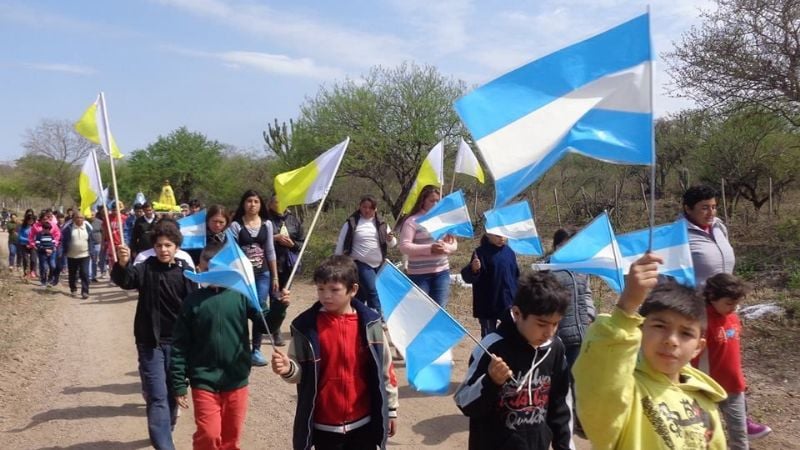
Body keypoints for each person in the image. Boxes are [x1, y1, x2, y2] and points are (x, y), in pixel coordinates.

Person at [573, 254, 727, 449]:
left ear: (698, 347)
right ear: (639, 330)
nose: (671, 341)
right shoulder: (625, 390)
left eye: (686, 333)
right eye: (660, 326)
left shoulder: (705, 400)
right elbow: (601, 380)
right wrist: (627, 306)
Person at [170, 241, 290, 450]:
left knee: (231, 437)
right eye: (204, 270)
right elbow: (179, 344)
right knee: (208, 434)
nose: (207, 274)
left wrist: (279, 306)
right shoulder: (192, 301)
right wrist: (179, 382)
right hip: (203, 380)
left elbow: (266, 324)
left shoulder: (243, 295)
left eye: (213, 271)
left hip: (236, 380)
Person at [271, 255, 399, 450]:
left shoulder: (371, 325)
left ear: (353, 290)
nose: (326, 295)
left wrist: (390, 410)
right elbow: (299, 374)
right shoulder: (306, 328)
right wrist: (288, 368)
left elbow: (385, 370)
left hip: (363, 422)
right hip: (325, 426)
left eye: (334, 289)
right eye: (321, 289)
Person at [454, 271, 574, 450]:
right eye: (541, 324)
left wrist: (564, 445)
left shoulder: (555, 348)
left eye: (555, 324)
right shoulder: (494, 346)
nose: (549, 332)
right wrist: (491, 381)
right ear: (517, 313)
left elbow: (561, 404)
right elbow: (464, 402)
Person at [110, 219, 196, 450]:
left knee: (170, 395)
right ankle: (165, 445)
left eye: (168, 245)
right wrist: (123, 263)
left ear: (176, 247)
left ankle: (165, 430)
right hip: (150, 342)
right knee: (157, 395)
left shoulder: (186, 272)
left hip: (178, 345)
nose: (163, 250)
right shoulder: (145, 267)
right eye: (159, 245)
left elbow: (195, 308)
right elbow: (127, 280)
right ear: (154, 247)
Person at [693, 274, 769, 448]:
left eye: (736, 304)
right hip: (707, 388)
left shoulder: (732, 317)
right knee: (705, 435)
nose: (733, 308)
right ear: (712, 296)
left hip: (734, 387)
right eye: (729, 303)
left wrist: (740, 378)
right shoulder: (701, 322)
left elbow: (732, 353)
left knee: (740, 435)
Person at [229, 190, 279, 366]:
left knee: (259, 309)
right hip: (242, 276)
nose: (252, 204)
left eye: (256, 201)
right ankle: (241, 348)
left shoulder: (267, 224)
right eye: (249, 201)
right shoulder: (235, 226)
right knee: (242, 309)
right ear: (243, 203)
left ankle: (256, 350)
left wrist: (275, 277)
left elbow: (271, 251)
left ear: (261, 205)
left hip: (263, 273)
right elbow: (232, 252)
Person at [334, 194, 396, 317]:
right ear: (360, 207)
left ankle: (352, 315)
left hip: (378, 265)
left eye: (371, 208)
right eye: (364, 207)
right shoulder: (351, 223)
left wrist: (390, 239)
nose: (367, 210)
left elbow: (392, 244)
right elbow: (341, 242)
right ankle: (377, 318)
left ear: (376, 209)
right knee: (373, 290)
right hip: (359, 263)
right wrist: (337, 263)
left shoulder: (382, 224)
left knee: (360, 294)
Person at [397, 185, 457, 307]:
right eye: (432, 200)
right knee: (421, 310)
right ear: (423, 200)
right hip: (419, 275)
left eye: (438, 201)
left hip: (442, 273)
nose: (435, 204)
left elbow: (454, 244)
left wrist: (446, 247)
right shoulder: (412, 221)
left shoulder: (444, 219)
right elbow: (404, 246)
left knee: (440, 310)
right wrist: (430, 249)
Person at [549, 227, 596, 369]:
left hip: (580, 333)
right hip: (556, 335)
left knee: (578, 379)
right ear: (555, 246)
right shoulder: (546, 268)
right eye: (563, 246)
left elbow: (586, 294)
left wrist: (589, 315)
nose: (567, 250)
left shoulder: (580, 268)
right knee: (557, 380)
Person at [459, 233, 519, 337]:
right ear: (488, 235)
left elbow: (516, 276)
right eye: (498, 236)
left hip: (507, 301)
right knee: (489, 337)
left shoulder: (509, 252)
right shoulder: (480, 253)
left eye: (504, 235)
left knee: (512, 333)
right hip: (487, 303)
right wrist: (473, 269)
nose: (502, 238)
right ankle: (488, 353)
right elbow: (469, 277)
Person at [265, 194, 305, 346]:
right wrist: (274, 238)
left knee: (284, 296)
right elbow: (258, 239)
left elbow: (301, 243)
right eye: (275, 201)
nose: (279, 204)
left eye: (282, 201)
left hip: (288, 264)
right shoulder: (265, 219)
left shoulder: (294, 220)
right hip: (270, 264)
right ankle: (276, 331)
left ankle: (277, 322)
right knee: (274, 295)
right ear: (270, 204)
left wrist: (292, 244)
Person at [682, 185, 735, 287]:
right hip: (696, 300)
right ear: (688, 209)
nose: (711, 213)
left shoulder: (719, 227)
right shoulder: (678, 235)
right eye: (705, 208)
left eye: (714, 207)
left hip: (724, 299)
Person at [62, 212, 94, 299]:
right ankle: (73, 289)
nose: (79, 219)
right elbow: (64, 241)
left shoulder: (87, 228)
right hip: (71, 255)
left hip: (85, 255)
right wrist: (63, 252)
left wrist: (92, 252)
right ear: (73, 219)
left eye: (81, 217)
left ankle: (85, 292)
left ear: (83, 219)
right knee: (72, 274)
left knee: (85, 273)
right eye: (77, 217)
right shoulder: (68, 228)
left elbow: (91, 241)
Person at [34, 219, 57, 287]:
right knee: (44, 267)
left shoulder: (51, 235)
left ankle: (50, 279)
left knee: (53, 266)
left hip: (51, 253)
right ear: (43, 228)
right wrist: (45, 250)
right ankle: (43, 281)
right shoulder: (39, 235)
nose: (48, 231)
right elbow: (38, 244)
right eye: (46, 229)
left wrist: (53, 248)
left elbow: (53, 242)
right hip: (42, 253)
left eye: (49, 229)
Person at [17, 214, 36, 280]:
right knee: (25, 259)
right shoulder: (22, 227)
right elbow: (20, 237)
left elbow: (36, 236)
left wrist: (31, 242)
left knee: (33, 259)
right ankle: (25, 273)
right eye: (29, 220)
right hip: (24, 245)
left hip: (32, 245)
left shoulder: (35, 227)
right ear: (27, 220)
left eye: (32, 220)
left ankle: (32, 271)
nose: (31, 221)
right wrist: (28, 240)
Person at [89, 209, 106, 282]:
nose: (91, 216)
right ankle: (89, 276)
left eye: (92, 215)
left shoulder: (100, 222)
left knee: (95, 260)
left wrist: (103, 243)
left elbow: (104, 233)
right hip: (88, 244)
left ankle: (93, 276)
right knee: (88, 260)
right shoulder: (85, 222)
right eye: (90, 215)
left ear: (95, 215)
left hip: (97, 244)